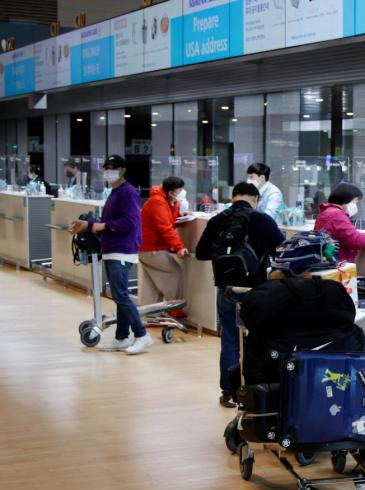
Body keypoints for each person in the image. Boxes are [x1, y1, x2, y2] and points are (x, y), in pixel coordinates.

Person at [196, 182, 285, 408]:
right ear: (255, 198)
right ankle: (255, 389)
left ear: (233, 197)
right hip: (256, 290)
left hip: (226, 288)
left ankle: (229, 391)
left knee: (229, 339)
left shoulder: (217, 219)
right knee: (259, 338)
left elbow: (201, 253)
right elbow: (282, 249)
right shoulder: (261, 219)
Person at [69, 155, 152, 355]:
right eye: (106, 168)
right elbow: (108, 221)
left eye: (112, 167)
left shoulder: (128, 192)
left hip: (122, 249)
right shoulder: (115, 192)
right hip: (111, 248)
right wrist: (88, 224)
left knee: (121, 295)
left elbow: (130, 222)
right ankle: (121, 338)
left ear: (122, 170)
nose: (108, 171)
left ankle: (142, 335)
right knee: (119, 296)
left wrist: (103, 226)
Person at [139, 176, 189, 310]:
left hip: (147, 248)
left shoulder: (169, 201)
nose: (182, 192)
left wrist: (181, 215)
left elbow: (169, 219)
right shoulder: (157, 202)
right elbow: (165, 227)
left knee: (151, 284)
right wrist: (179, 247)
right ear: (171, 192)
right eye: (180, 190)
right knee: (175, 272)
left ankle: (149, 313)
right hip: (152, 248)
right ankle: (174, 308)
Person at [315, 182, 365, 263]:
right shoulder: (337, 215)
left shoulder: (326, 212)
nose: (356, 206)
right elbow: (355, 240)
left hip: (326, 261)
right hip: (336, 263)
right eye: (355, 202)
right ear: (346, 199)